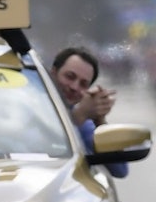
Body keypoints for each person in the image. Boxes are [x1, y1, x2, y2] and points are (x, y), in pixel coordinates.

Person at [50, 46, 128, 179]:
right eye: (70, 77)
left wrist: (99, 120)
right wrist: (80, 115)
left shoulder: (83, 122)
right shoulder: (29, 106)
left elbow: (120, 169)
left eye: (83, 84)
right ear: (53, 73)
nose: (74, 87)